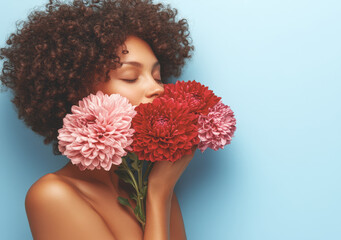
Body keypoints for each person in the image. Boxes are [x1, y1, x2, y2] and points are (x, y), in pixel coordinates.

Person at [0, 0, 195, 239]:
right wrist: (159, 193)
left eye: (157, 76)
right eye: (131, 77)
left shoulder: (152, 184)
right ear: (77, 93)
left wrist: (160, 189)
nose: (159, 89)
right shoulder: (52, 195)